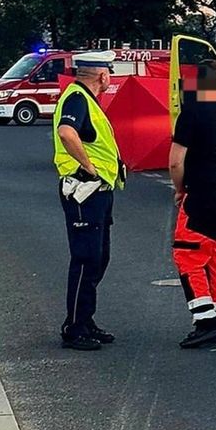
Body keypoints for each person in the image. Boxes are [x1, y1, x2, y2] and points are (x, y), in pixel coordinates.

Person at [53, 50, 125, 351]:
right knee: (86, 258)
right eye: (109, 73)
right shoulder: (77, 98)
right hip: (84, 190)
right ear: (103, 75)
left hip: (97, 192)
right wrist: (89, 167)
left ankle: (85, 319)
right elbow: (67, 133)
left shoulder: (84, 98)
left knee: (99, 257)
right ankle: (75, 327)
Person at [169, 59, 216, 348]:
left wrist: (179, 189)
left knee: (188, 257)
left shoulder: (191, 114)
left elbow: (176, 161)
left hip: (200, 198)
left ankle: (205, 321)